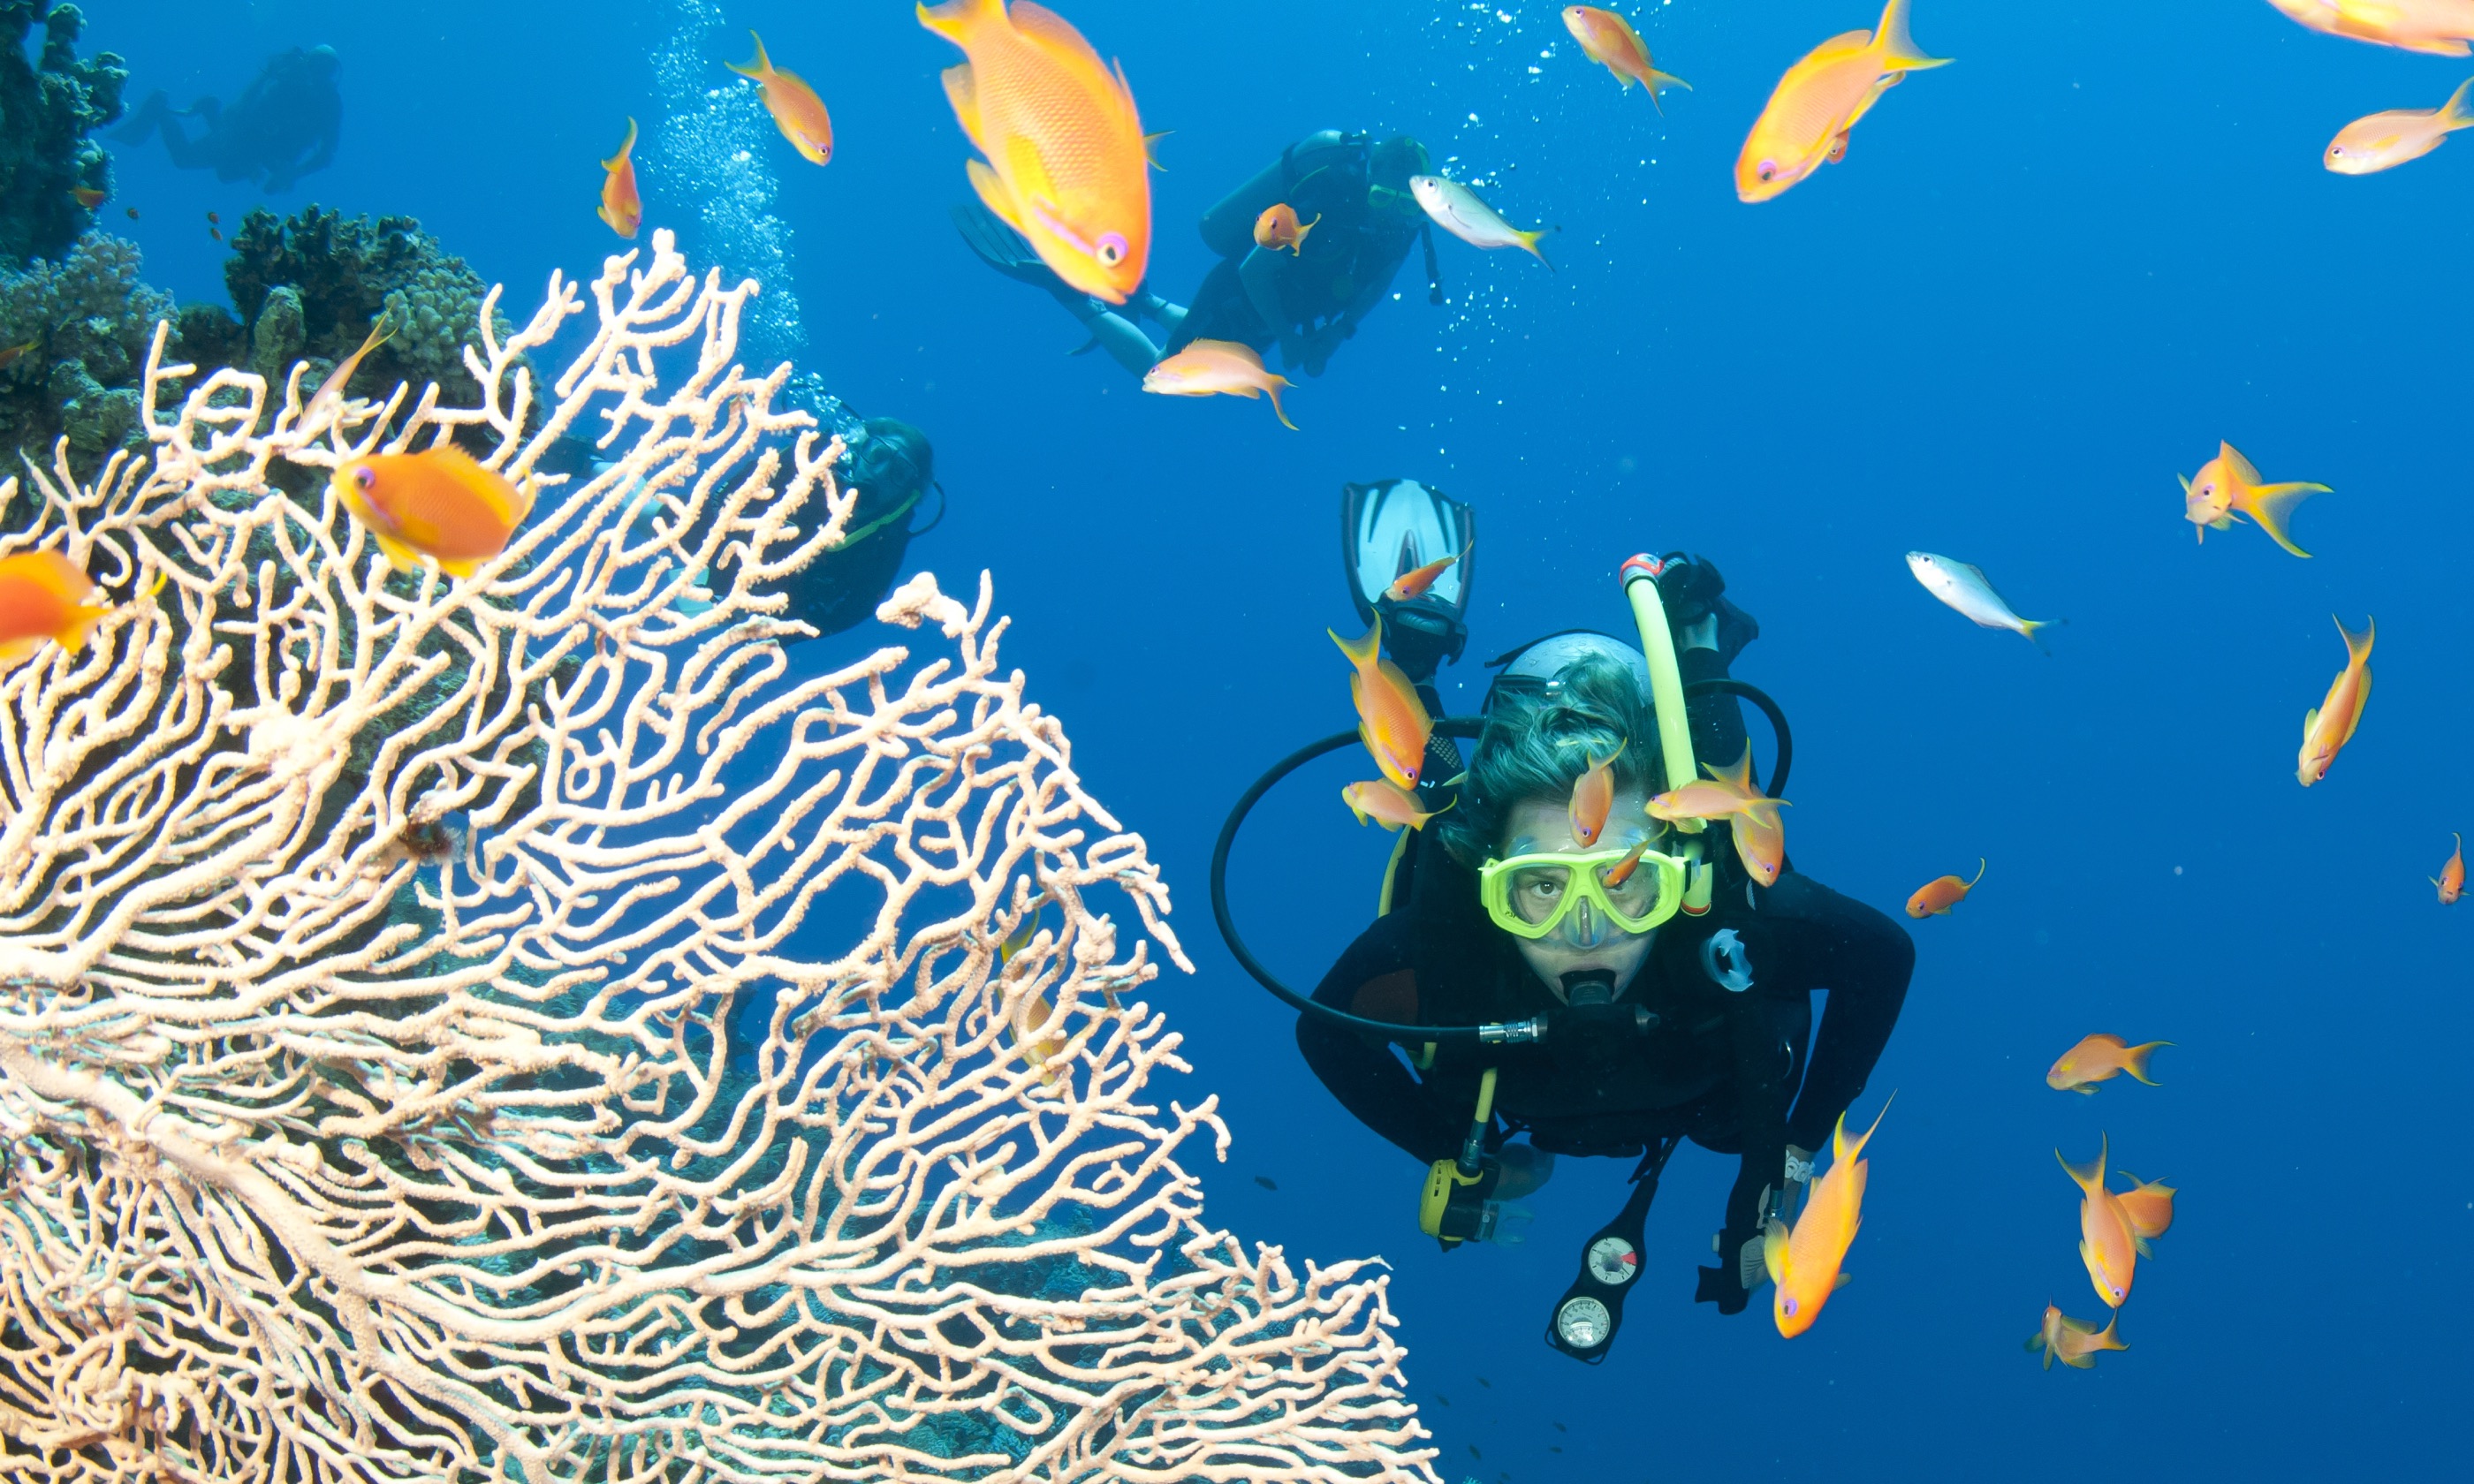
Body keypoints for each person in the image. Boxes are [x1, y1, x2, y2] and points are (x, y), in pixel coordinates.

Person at [1229, 483, 1913, 1361]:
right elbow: (1324, 1036)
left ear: (1679, 880)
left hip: (1701, 1084)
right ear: (1492, 887)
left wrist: (1794, 1145)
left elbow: (1884, 957)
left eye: (1630, 885)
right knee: (1443, 805)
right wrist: (1445, 1148)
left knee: (1717, 794)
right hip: (1541, 1078)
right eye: (1538, 889)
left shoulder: (1725, 916)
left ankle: (1699, 647)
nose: (1585, 932)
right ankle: (1411, 664)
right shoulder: (1450, 944)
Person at [953, 129, 1438, 381]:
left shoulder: (1405, 228)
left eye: (1403, 205)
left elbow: (1377, 287)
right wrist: (1292, 339)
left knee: (1217, 362)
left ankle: (1143, 303)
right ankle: (1074, 296)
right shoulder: (1328, 197)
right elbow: (1254, 269)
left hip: (1280, 312)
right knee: (1164, 372)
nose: (1389, 216)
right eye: (1381, 199)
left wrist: (1338, 333)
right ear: (1367, 184)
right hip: (1242, 295)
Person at [115, 45, 344, 193]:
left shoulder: (329, 104)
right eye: (316, 66)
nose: (318, 74)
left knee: (225, 174)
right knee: (184, 159)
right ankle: (162, 110)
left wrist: (292, 173)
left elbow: (326, 155)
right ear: (306, 64)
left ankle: (209, 111)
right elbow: (244, 109)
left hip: (266, 155)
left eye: (326, 69)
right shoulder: (287, 84)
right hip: (244, 138)